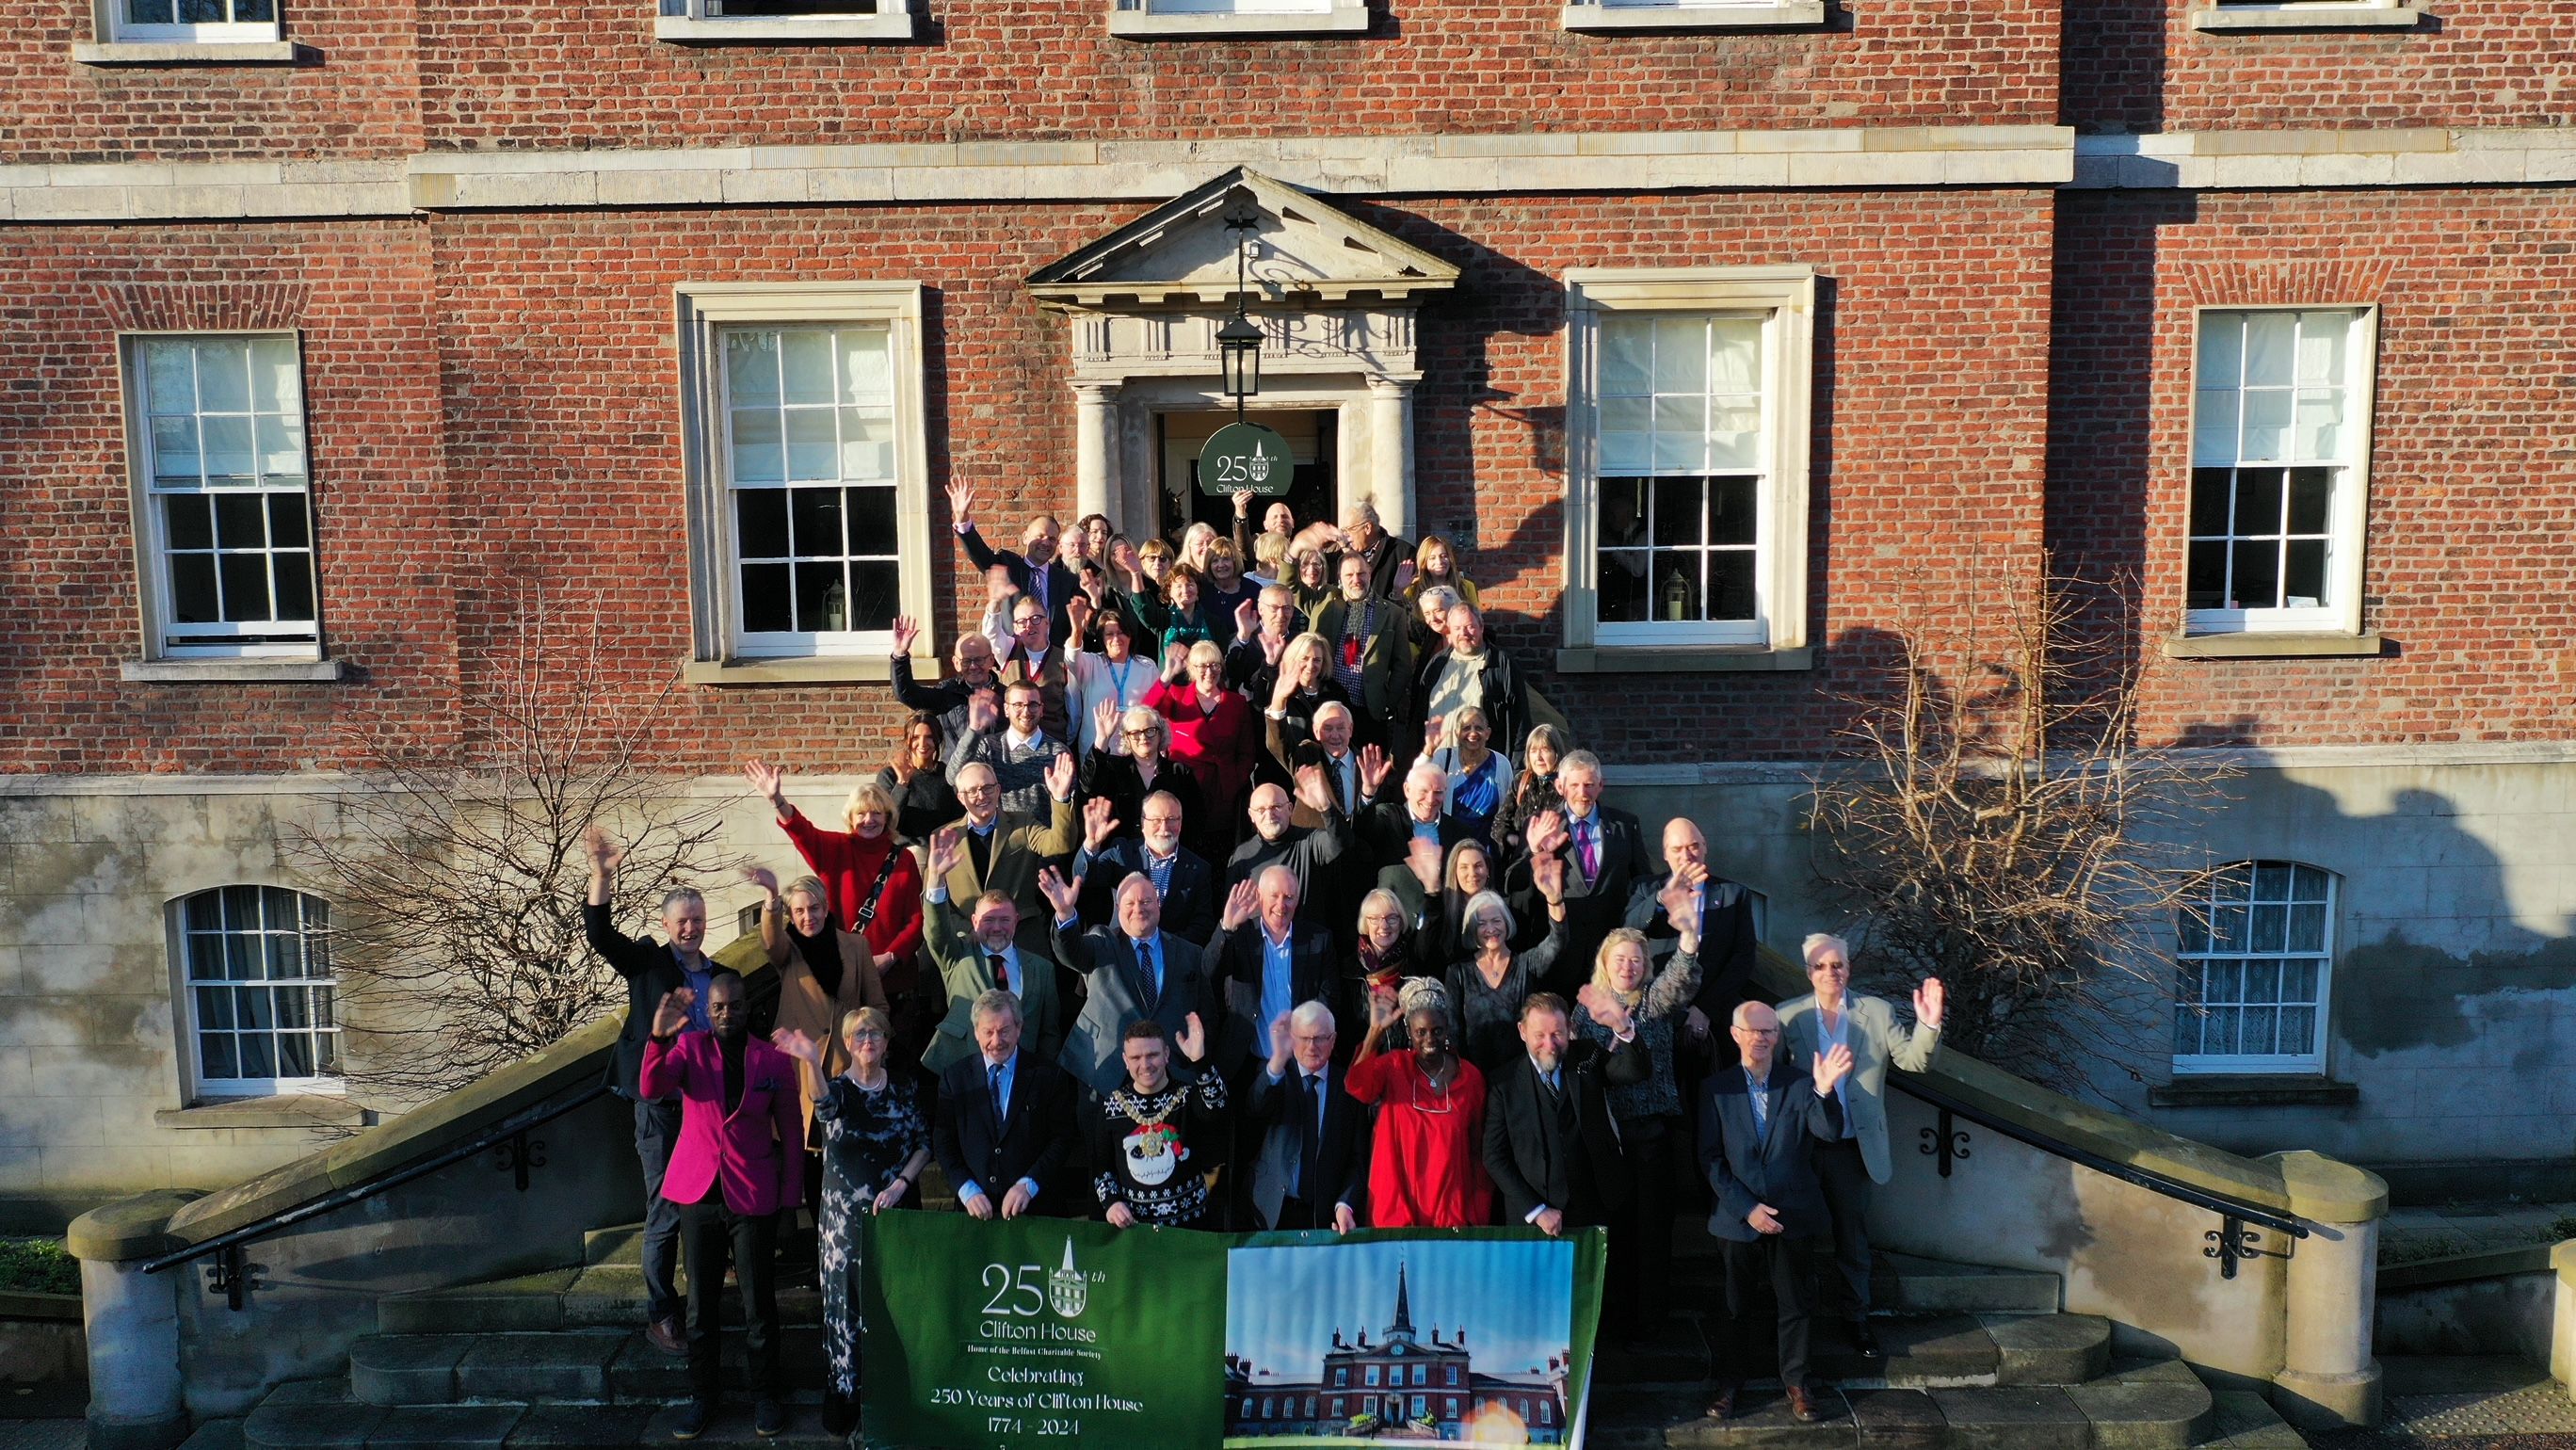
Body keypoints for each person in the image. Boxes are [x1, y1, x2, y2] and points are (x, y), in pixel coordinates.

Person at [637, 976, 804, 1439]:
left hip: (753, 1195)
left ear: (747, 1007)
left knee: (759, 1306)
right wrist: (657, 1038)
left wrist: (791, 1202)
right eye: (718, 1007)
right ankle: (701, 1398)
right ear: (708, 1011)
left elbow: (792, 1133)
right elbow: (651, 1087)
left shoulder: (771, 1059)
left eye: (733, 1006)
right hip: (699, 1194)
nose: (726, 1013)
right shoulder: (689, 1049)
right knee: (699, 1310)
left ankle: (766, 1397)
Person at [1775, 935, 1946, 1359]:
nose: (1831, 973)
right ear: (1808, 972)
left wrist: (1929, 1024)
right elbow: (1773, 1082)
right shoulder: (1786, 1016)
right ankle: (1801, 1325)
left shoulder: (1877, 1011)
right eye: (1821, 966)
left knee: (1852, 1240)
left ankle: (1857, 1319)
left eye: (1839, 965)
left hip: (1853, 1149)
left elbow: (1914, 1061)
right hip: (1804, 1148)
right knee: (1798, 1239)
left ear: (1849, 968)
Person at [580, 825, 704, 1359]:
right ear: (665, 924)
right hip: (657, 1104)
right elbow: (601, 937)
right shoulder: (649, 961)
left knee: (699, 1207)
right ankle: (662, 1313)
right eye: (682, 921)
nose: (690, 929)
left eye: (697, 920)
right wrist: (602, 876)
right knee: (665, 1206)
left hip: (705, 1105)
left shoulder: (718, 974)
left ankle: (699, 1305)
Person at [1699, 1004, 1855, 1425]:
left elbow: (1828, 1132)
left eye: (1770, 1031)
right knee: (1735, 1306)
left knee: (1796, 1303)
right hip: (1738, 1217)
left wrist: (1825, 1092)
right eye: (1754, 1030)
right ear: (1735, 1034)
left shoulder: (1802, 1083)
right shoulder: (1716, 1088)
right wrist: (1748, 1209)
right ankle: (1729, 1384)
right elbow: (1710, 1159)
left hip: (1794, 1214)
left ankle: (1798, 1383)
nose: (1762, 1038)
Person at [779, 1007, 928, 1438]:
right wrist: (810, 1059)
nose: (868, 1041)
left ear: (886, 1041)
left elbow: (922, 1144)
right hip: (843, 1225)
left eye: (876, 1034)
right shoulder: (840, 1090)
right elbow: (823, 1107)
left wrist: (902, 1184)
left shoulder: (903, 1088)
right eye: (859, 1034)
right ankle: (846, 1395)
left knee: (893, 1305)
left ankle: (892, 1395)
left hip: (895, 1216)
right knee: (845, 1308)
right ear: (847, 1042)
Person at [1581, 902, 1706, 1345]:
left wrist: (1688, 939)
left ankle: (1652, 1319)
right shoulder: (1588, 1010)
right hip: (1611, 1139)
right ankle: (1613, 1317)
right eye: (1620, 959)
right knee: (1617, 1231)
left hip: (1654, 1137)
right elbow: (1587, 1069)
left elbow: (1679, 978)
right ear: (1605, 964)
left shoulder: (1654, 1003)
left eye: (1637, 959)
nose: (1629, 967)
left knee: (1654, 1232)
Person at [744, 869, 892, 1211]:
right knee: (809, 1159)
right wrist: (770, 899)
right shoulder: (790, 949)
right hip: (800, 1068)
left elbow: (878, 1005)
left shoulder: (855, 946)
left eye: (813, 909)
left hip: (848, 1066)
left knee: (848, 1155)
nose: (807, 917)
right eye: (799, 911)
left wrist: (872, 1047)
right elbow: (769, 942)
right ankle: (820, 1246)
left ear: (825, 909)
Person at [1483, 991, 1645, 1238]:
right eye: (1539, 1035)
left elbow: (1635, 1072)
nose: (1549, 1045)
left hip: (1597, 1205)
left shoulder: (1587, 1055)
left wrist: (1622, 1027)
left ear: (1569, 1028)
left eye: (1557, 1034)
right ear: (1522, 1031)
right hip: (1536, 1218)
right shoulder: (1502, 1083)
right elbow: (1494, 1157)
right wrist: (1537, 1211)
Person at [744, 760, 926, 975]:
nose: (869, 820)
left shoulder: (904, 859)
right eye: (861, 813)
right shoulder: (834, 849)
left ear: (887, 817)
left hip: (891, 977)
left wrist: (890, 956)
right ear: (850, 818)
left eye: (876, 813)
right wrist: (776, 800)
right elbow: (801, 831)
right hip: (843, 975)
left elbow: (916, 919)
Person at [1045, 866, 1214, 1097]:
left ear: (1158, 903)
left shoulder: (1189, 953)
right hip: (1105, 1074)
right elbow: (1071, 951)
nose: (1139, 909)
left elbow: (1207, 1016)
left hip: (1171, 1076)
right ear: (1118, 908)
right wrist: (1065, 915)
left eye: (1146, 902)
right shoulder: (1102, 941)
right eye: (1130, 904)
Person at [1344, 978, 1489, 1229]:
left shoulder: (1471, 1078)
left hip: (1452, 1219)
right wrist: (1374, 1033)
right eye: (1420, 1032)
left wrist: (1476, 1216)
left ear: (1447, 1028)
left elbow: (1478, 1153)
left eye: (1437, 1030)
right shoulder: (1395, 1067)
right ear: (1409, 1032)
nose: (1429, 1039)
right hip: (1397, 1216)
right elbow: (1358, 1087)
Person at [920, 828, 1065, 1076]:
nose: (997, 928)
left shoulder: (1041, 969)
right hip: (963, 1072)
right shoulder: (956, 954)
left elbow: (1049, 1033)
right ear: (974, 922)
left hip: (1021, 1077)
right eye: (988, 920)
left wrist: (1042, 1077)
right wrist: (935, 879)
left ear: (1016, 921)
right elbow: (937, 931)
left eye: (1004, 920)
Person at [1626, 817, 1761, 1072]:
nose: (1687, 855)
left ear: (1705, 846)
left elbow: (1742, 957)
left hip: (1716, 1021)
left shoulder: (1734, 894)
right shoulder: (1645, 889)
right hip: (1657, 1017)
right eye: (1677, 849)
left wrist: (1705, 1009)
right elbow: (1627, 931)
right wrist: (1663, 898)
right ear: (1665, 854)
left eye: (1694, 846)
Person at [932, 989, 1076, 1220]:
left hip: (1036, 1214)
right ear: (976, 1033)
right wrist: (966, 1190)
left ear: (1019, 1029)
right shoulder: (954, 1078)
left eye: (1004, 1031)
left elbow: (1062, 1138)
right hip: (975, 1216)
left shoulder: (1048, 1076)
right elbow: (943, 1141)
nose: (996, 1041)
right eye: (988, 1032)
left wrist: (1029, 1184)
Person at [1522, 749, 1651, 982]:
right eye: (1574, 786)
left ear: (1601, 785)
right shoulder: (1540, 825)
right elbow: (1516, 887)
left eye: (1589, 784)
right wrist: (1535, 851)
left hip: (1610, 953)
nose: (1582, 794)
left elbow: (1642, 881)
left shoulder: (1625, 825)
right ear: (1560, 787)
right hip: (1560, 949)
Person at [1087, 1016, 1227, 1229]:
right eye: (1136, 1058)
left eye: (1152, 1055)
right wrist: (1112, 1203)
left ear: (1166, 1055)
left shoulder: (1186, 1097)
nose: (1145, 1065)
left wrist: (1200, 1062)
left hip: (1190, 1228)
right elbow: (1102, 1168)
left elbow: (1217, 1106)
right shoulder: (1111, 1107)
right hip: (1135, 1232)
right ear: (1125, 1060)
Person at [926, 759, 1078, 950]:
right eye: (972, 791)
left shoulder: (1022, 824)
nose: (981, 796)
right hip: (967, 941)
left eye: (987, 788)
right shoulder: (944, 837)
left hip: (1021, 936)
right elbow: (934, 895)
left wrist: (1060, 798)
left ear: (998, 790)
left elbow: (1060, 844)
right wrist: (968, 929)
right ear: (961, 798)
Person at [1203, 867, 1340, 1078]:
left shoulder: (1319, 940)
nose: (1281, 905)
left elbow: (1328, 999)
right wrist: (1227, 927)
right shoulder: (1241, 936)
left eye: (1288, 897)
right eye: (1274, 896)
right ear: (1259, 897)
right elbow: (1209, 972)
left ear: (1297, 899)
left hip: (1302, 1067)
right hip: (1247, 1064)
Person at [1246, 1002, 1367, 1232]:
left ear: (1333, 1040)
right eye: (1304, 1038)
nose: (1312, 1047)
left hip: (1325, 1218)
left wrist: (1345, 1204)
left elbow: (1357, 1159)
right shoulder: (1277, 1076)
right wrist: (1277, 1061)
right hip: (1272, 1213)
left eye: (1320, 1038)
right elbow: (1255, 1109)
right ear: (1292, 1038)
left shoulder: (1348, 1088)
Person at [1445, 856, 1570, 1074]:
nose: (1490, 929)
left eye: (1496, 920)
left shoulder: (1527, 963)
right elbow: (1453, 1032)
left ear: (1506, 923)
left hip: (1521, 1077)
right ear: (1472, 930)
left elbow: (1558, 940)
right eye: (1481, 923)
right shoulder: (1458, 973)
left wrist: (1554, 898)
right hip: (1474, 1076)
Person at [1148, 640, 1259, 863]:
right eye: (1202, 666)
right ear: (1191, 669)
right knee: (1187, 855)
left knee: (1221, 857)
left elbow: (1247, 752)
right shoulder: (1178, 697)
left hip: (1223, 793)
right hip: (1185, 790)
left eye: (1215, 666)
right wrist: (1167, 675)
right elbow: (1147, 711)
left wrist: (1235, 779)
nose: (1209, 672)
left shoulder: (1237, 703)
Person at [1071, 788, 1216, 948]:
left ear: (1181, 823)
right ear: (1143, 823)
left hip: (1171, 962)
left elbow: (1203, 926)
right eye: (1156, 820)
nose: (1164, 827)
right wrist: (1091, 844)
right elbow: (1085, 878)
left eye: (1171, 819)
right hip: (1123, 955)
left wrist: (1164, 949)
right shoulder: (1122, 852)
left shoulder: (1199, 868)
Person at [1225, 767, 1353, 935]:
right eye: (1261, 810)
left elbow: (1341, 843)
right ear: (1251, 816)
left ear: (1290, 809)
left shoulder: (1309, 841)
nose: (1269, 815)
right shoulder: (1242, 856)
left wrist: (1326, 808)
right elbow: (1232, 908)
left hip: (1307, 945)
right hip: (1260, 948)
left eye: (1276, 806)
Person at [1311, 551, 1414, 749]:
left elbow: (1402, 665)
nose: (1356, 580)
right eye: (1349, 575)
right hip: (1331, 703)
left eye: (1361, 574)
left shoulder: (1392, 613)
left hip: (1370, 709)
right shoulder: (1327, 607)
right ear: (1339, 578)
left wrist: (1387, 703)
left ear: (1370, 573)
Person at [1078, 701, 1208, 857]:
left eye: (1150, 730)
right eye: (1135, 733)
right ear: (1127, 738)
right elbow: (1088, 787)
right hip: (1122, 859)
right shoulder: (1114, 768)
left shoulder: (1180, 773)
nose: (1143, 737)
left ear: (1160, 734)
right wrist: (1102, 740)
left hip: (1168, 857)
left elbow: (1195, 821)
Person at [1409, 602, 1529, 762]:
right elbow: (1418, 717)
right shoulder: (1437, 664)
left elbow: (1520, 721)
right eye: (1457, 628)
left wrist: (1516, 768)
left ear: (1481, 627)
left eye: (1469, 626)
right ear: (1449, 632)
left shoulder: (1501, 665)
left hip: (1481, 768)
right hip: (1439, 766)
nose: (1464, 633)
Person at [947, 480, 1075, 631]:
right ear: (1025, 537)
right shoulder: (1007, 566)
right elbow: (979, 553)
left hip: (1052, 653)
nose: (1045, 542)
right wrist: (962, 519)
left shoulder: (1068, 581)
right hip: (1012, 650)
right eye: (1040, 536)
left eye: (1052, 539)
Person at [945, 680, 1066, 820]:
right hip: (998, 838)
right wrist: (974, 729)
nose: (1026, 712)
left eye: (1033, 705)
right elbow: (953, 777)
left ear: (1041, 709)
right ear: (1006, 709)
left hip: (1042, 839)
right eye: (1018, 705)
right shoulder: (987, 747)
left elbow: (1066, 807)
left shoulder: (1059, 753)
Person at [1060, 596, 1159, 757]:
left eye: (1121, 632)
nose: (1116, 639)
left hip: (1137, 752)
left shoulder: (1146, 666)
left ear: (1130, 635)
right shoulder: (1091, 663)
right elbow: (1071, 658)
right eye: (1109, 634)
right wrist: (1077, 630)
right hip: (1097, 750)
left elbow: (1158, 707)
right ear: (1102, 638)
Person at [886, 614, 999, 753]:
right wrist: (900, 656)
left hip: (995, 773)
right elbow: (906, 694)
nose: (973, 666)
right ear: (956, 663)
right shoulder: (945, 693)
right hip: (954, 772)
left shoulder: (1008, 697)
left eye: (979, 660)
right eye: (966, 661)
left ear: (991, 660)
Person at [1358, 760, 1478, 876]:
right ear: (1407, 790)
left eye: (1438, 792)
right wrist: (1369, 791)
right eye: (1423, 791)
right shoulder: (1389, 817)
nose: (1430, 800)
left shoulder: (1459, 832)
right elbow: (1363, 831)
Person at [1415, 706, 1514, 846]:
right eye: (1466, 728)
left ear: (1487, 733)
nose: (1473, 733)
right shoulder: (1444, 758)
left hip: (1488, 851)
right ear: (1457, 733)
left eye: (1479, 728)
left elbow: (1508, 811)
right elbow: (1417, 784)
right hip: (1451, 848)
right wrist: (1428, 751)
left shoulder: (1501, 763)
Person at [993, 591, 1074, 747]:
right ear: (1015, 628)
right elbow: (992, 635)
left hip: (1053, 743)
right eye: (1022, 621)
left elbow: (1074, 708)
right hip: (1014, 743)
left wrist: (1067, 742)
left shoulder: (1064, 659)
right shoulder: (1008, 651)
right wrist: (994, 603)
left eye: (1036, 618)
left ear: (1047, 623)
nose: (1029, 625)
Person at [878, 711, 963, 845]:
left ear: (937, 740)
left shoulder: (948, 775)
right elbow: (888, 823)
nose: (922, 743)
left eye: (929, 737)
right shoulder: (889, 776)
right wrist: (902, 783)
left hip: (943, 848)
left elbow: (959, 819)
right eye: (916, 737)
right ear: (907, 740)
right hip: (906, 850)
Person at [1492, 723, 1570, 862]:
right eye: (1533, 751)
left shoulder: (1566, 784)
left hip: (1554, 863)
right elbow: (1500, 822)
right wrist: (1511, 838)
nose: (1538, 757)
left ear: (1556, 753)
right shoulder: (1521, 781)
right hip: (1519, 861)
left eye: (1545, 750)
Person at [1340, 499, 1410, 602]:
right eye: (1344, 531)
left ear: (1367, 528)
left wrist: (1397, 592)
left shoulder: (1403, 553)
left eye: (1350, 529)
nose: (1346, 535)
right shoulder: (1344, 555)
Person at [1401, 532, 1481, 613]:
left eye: (1444, 556)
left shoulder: (1466, 587)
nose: (1439, 562)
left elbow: (1475, 620)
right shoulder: (1413, 589)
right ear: (1424, 561)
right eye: (1432, 558)